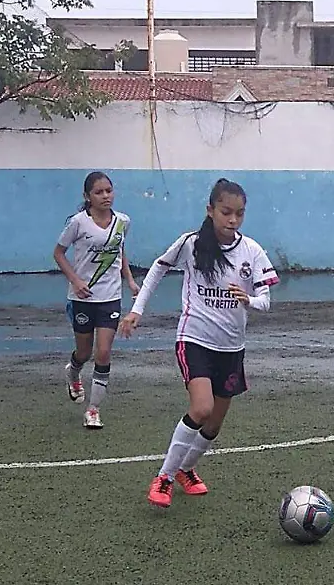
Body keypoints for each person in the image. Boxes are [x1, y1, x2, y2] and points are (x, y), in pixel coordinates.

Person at [118, 178, 279, 508]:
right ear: (211, 210)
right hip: (194, 339)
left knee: (214, 424)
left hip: (232, 349)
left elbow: (266, 299)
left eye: (239, 214)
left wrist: (248, 299)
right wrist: (136, 310)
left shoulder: (252, 251)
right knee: (201, 408)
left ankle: (186, 469)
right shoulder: (190, 244)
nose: (232, 220)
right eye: (225, 212)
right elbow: (157, 270)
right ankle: (164, 477)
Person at [53, 171, 139, 429]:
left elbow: (119, 250)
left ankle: (93, 409)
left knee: (103, 352)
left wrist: (130, 280)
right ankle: (73, 371)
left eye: (109, 191)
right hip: (82, 298)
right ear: (87, 196)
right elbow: (58, 253)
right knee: (84, 351)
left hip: (110, 298)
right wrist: (76, 281)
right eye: (99, 192)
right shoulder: (78, 223)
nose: (105, 196)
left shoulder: (123, 221)